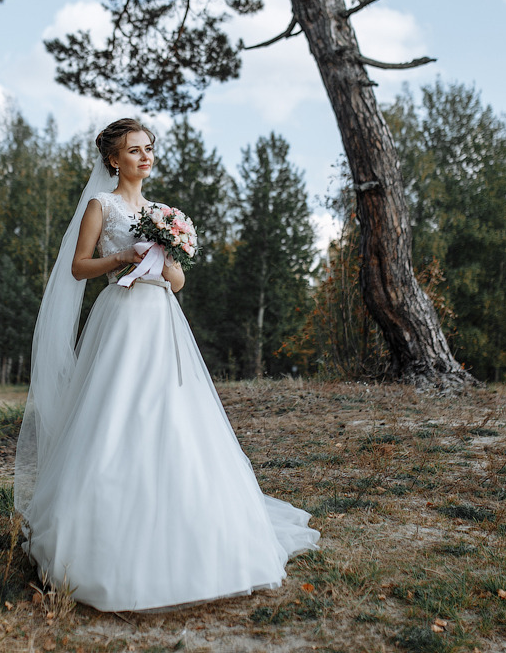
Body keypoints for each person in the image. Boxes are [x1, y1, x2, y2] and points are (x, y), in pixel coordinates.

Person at [16, 118, 319, 612]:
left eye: (148, 148)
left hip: (162, 320)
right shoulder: (101, 205)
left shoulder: (163, 212)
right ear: (113, 159)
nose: (144, 156)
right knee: (116, 412)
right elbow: (78, 267)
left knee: (174, 413)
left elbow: (176, 282)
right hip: (120, 319)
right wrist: (121, 258)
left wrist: (165, 254)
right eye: (133, 150)